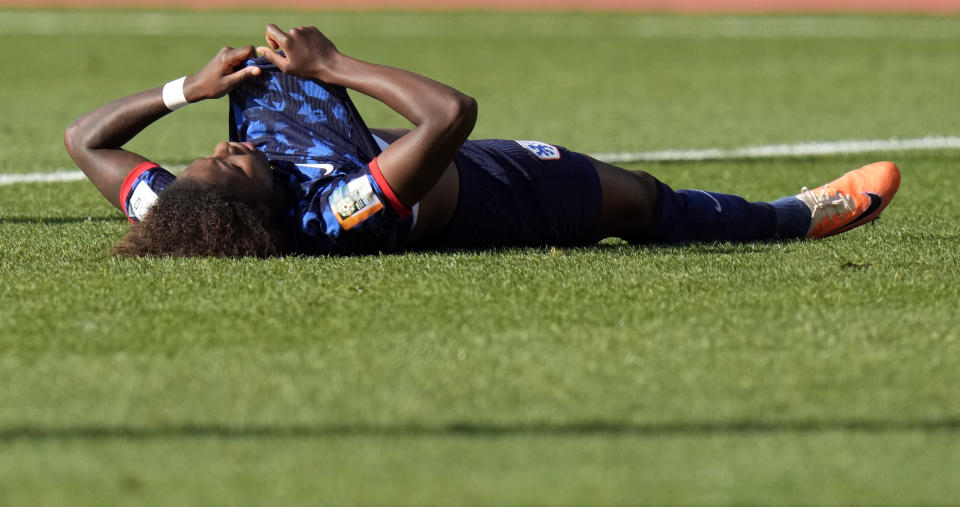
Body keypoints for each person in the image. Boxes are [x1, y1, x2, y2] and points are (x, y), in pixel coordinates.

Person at [64, 24, 901, 258]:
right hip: (506, 197)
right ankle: (795, 217)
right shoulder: (335, 214)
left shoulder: (184, 204)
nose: (226, 151)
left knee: (642, 198)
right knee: (639, 201)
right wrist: (334, 63)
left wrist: (189, 90)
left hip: (435, 160)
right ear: (253, 216)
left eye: (215, 154)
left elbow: (84, 140)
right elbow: (450, 114)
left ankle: (783, 216)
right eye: (233, 168)